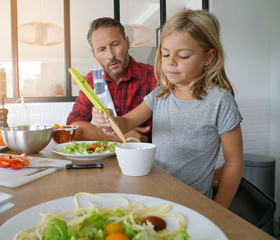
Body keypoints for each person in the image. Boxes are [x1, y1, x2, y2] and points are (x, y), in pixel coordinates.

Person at [92, 9, 243, 208]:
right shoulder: (160, 94)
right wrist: (109, 118)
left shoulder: (220, 102)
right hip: (154, 194)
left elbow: (234, 163)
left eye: (183, 56)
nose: (170, 62)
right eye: (165, 54)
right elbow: (126, 121)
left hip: (193, 203)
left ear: (208, 58)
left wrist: (220, 211)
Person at [66, 17, 157, 143]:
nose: (110, 55)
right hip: (108, 161)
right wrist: (118, 136)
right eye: (102, 50)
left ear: (127, 43)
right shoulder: (93, 79)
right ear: (94, 54)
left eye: (115, 45)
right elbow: (74, 126)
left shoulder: (154, 77)